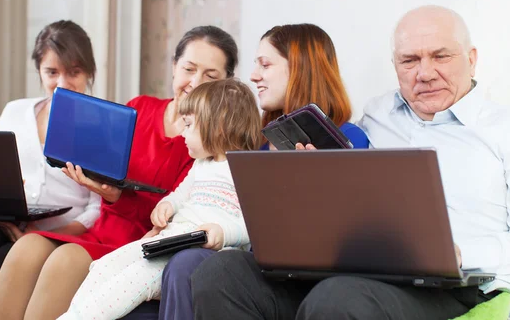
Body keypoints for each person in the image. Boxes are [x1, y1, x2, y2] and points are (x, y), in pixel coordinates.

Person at [190, 5, 510, 320]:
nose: (424, 73)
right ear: (394, 64)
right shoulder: (377, 115)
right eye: (409, 60)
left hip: (446, 284)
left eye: (441, 56)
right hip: (349, 266)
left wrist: (460, 254)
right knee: (222, 273)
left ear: (471, 58)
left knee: (339, 299)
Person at [0, 26, 240, 320]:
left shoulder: (208, 146)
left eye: (210, 77)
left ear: (226, 84)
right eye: (189, 69)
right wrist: (96, 181)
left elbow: (180, 217)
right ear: (174, 67)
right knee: (27, 246)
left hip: (137, 242)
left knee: (65, 261)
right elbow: (105, 171)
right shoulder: (139, 108)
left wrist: (118, 197)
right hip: (102, 229)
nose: (195, 83)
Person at [137, 23, 369, 320]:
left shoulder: (350, 138)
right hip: (250, 260)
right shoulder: (257, 144)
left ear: (300, 69)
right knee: (178, 270)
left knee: (194, 266)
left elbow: (350, 229)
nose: (253, 75)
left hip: (309, 277)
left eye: (265, 64)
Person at [58, 78, 261, 320]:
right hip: (170, 240)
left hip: (198, 250)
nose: (182, 133)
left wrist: (222, 233)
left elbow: (253, 226)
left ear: (217, 126)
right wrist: (166, 206)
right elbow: (179, 196)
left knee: (129, 283)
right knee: (103, 266)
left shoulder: (246, 169)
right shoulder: (200, 165)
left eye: (189, 125)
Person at [0, 20, 101, 320]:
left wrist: (42, 233)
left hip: (54, 235)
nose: (62, 83)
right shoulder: (16, 110)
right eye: (52, 72)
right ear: (39, 72)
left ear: (89, 72)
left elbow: (97, 209)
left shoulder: (100, 126)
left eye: (74, 72)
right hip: (4, 220)